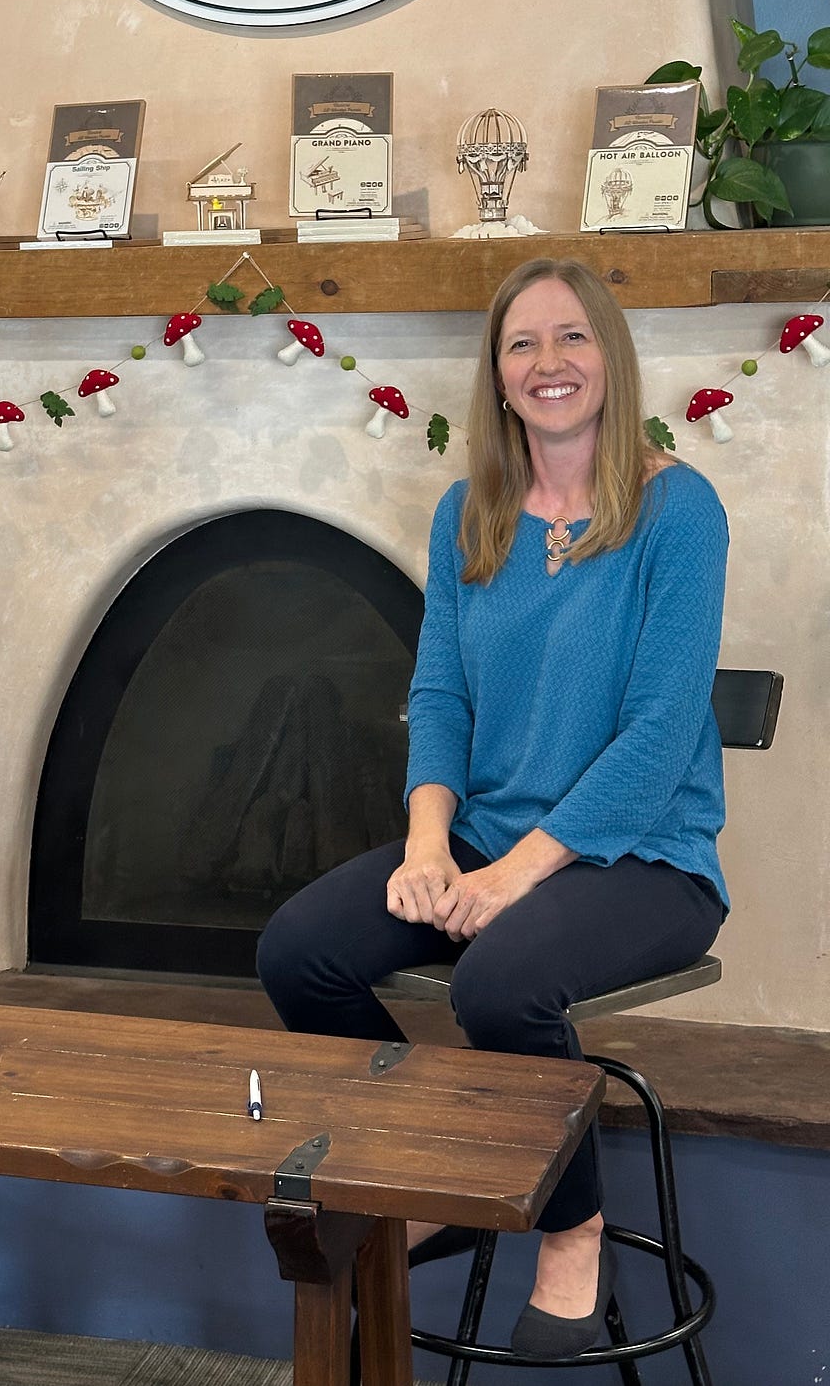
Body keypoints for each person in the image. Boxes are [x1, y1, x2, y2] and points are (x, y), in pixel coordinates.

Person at [256, 257, 729, 1358]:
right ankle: (448, 1172)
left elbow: (660, 732)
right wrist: (428, 846)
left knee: (501, 983)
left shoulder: (678, 509)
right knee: (299, 952)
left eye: (572, 337)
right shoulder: (468, 511)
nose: (548, 362)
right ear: (498, 373)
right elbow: (440, 695)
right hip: (480, 837)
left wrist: (511, 877)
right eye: (523, 343)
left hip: (646, 856)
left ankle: (571, 1221)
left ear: (609, 354)